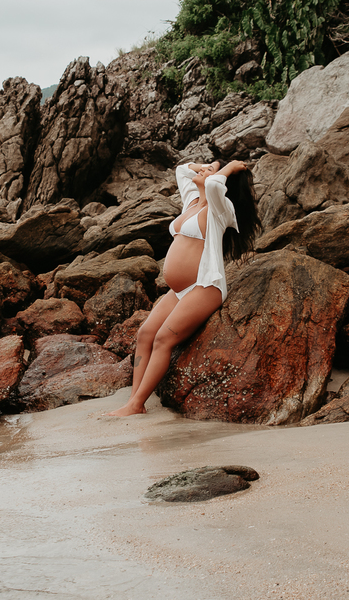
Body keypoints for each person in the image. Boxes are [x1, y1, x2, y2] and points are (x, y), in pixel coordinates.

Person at [104, 159, 261, 416]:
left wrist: (231, 167)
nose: (206, 169)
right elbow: (181, 170)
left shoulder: (220, 209)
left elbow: (213, 183)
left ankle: (136, 404)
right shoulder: (191, 202)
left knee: (163, 339)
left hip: (204, 286)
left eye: (212, 168)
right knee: (145, 334)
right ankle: (134, 400)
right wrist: (204, 165)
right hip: (178, 291)